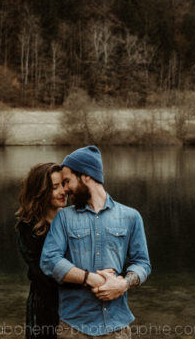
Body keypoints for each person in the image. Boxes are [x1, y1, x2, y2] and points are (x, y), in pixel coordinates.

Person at [40, 145, 151, 338]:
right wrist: (90, 278)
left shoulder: (131, 217)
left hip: (117, 326)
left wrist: (123, 284)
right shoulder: (64, 218)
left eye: (67, 181)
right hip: (74, 327)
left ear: (86, 176)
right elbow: (49, 260)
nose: (65, 189)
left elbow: (142, 263)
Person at [16, 162, 69, 339]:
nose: (63, 191)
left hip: (75, 303)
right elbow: (44, 272)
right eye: (55, 187)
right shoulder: (28, 227)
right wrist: (86, 280)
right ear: (41, 192)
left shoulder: (73, 220)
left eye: (64, 184)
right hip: (45, 304)